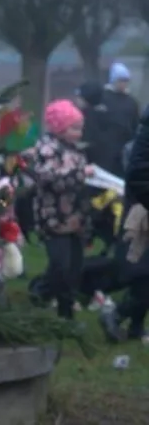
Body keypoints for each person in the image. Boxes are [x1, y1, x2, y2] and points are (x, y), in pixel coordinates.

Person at [27, 99, 90, 319]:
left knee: (74, 267)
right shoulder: (47, 149)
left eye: (80, 128)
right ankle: (42, 291)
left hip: (75, 217)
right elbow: (50, 180)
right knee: (61, 265)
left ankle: (66, 312)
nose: (79, 133)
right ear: (60, 127)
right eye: (74, 128)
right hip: (54, 217)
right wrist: (82, 175)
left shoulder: (74, 149)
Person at [99, 109, 149, 342]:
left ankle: (135, 327)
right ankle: (117, 314)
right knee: (143, 274)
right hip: (142, 212)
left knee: (143, 274)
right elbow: (139, 175)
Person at [102, 63, 140, 177]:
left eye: (126, 80)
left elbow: (135, 123)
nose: (123, 83)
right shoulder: (104, 97)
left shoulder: (131, 101)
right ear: (113, 79)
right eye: (120, 80)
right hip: (107, 146)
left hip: (125, 144)